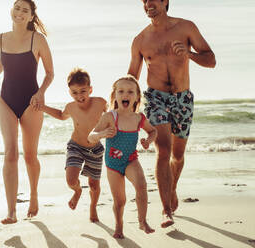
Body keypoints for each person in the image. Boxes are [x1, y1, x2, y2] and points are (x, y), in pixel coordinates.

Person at [128, 0, 216, 228]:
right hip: (155, 98)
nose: (148, 3)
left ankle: (172, 187)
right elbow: (132, 76)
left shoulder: (186, 28)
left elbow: (211, 60)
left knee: (177, 155)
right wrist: (122, 104)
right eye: (144, 0)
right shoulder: (140, 40)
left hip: (183, 99)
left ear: (166, 1)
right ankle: (166, 210)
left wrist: (189, 54)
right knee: (163, 150)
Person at [0, 0, 54, 224]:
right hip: (6, 100)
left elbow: (50, 73)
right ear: (11, 11)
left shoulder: (38, 39)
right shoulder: (0, 39)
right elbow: (4, 59)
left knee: (30, 155)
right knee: (10, 153)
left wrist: (41, 93)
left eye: (25, 10)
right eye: (17, 8)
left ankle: (34, 194)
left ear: (31, 16)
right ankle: (11, 211)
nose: (20, 12)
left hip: (31, 102)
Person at [88, 75, 157, 239]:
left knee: (141, 185)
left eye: (130, 91)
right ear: (115, 96)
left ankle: (142, 221)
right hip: (113, 164)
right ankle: (119, 225)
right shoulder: (110, 117)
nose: (125, 94)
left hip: (130, 160)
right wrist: (103, 134)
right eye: (121, 91)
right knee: (120, 201)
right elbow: (91, 136)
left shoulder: (139, 118)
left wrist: (148, 141)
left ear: (137, 97)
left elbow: (153, 131)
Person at [40, 68, 111, 222]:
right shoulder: (71, 107)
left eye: (83, 91)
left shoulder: (100, 103)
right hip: (76, 146)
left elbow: (113, 115)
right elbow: (60, 115)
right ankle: (77, 191)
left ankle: (93, 207)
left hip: (95, 149)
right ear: (70, 92)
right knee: (71, 180)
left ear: (90, 89)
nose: (79, 96)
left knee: (93, 184)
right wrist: (42, 107)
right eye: (74, 92)